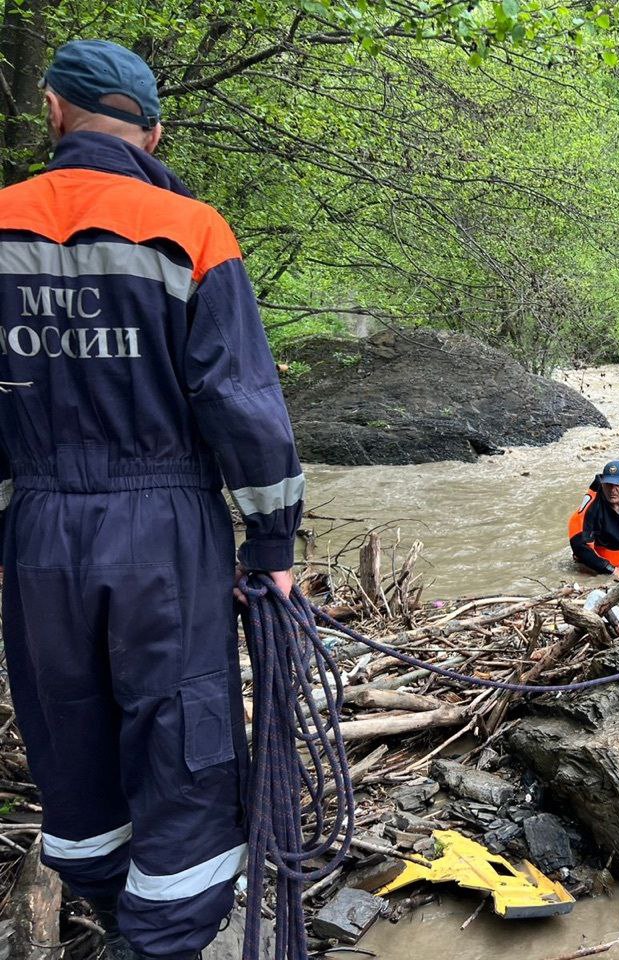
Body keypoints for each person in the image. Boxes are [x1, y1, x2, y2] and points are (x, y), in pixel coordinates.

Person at [0, 40, 303, 960]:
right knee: (183, 734)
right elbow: (242, 402)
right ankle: (162, 939)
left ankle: (105, 900)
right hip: (164, 532)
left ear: (53, 112)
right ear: (154, 130)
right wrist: (272, 548)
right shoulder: (191, 228)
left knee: (66, 726)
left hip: (37, 531)